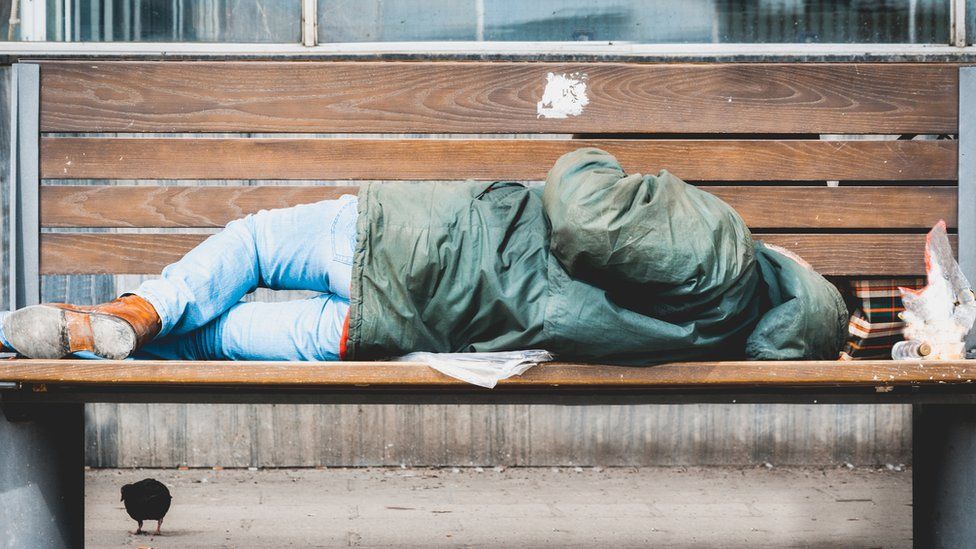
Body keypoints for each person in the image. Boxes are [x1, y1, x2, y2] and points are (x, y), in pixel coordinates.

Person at [0, 148, 848, 363]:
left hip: (425, 243)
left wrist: (601, 164)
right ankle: (95, 332)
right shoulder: (720, 338)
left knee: (254, 241)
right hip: (419, 329)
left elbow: (582, 214)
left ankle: (125, 313)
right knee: (215, 342)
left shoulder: (724, 253)